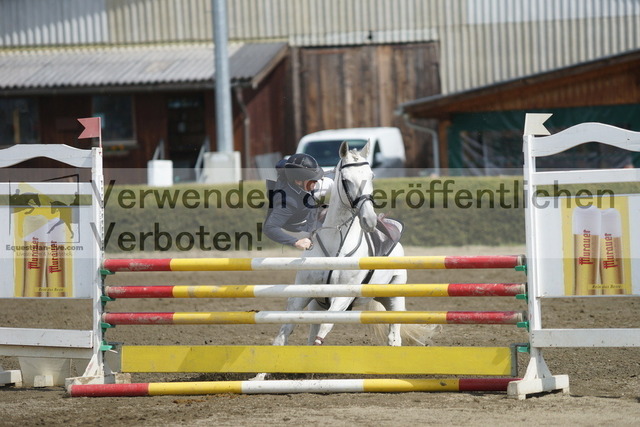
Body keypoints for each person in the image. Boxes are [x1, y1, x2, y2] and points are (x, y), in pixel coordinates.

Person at [264, 153, 331, 250]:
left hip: (307, 209)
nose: (316, 183)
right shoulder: (287, 202)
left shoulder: (296, 179)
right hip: (301, 230)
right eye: (312, 180)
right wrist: (296, 242)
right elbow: (269, 228)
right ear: (298, 181)